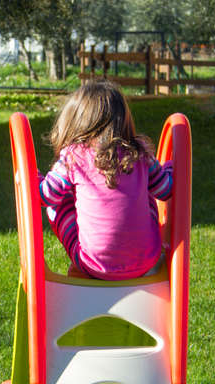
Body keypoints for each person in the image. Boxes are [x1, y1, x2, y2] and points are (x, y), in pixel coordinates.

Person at [38, 80, 173, 280]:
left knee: (56, 205)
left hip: (93, 264)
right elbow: (165, 190)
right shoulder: (140, 154)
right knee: (147, 193)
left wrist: (32, 176)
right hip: (145, 261)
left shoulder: (73, 156)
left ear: (76, 122)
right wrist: (170, 166)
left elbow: (44, 196)